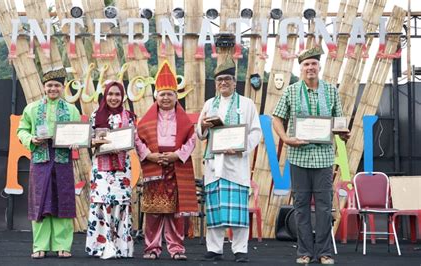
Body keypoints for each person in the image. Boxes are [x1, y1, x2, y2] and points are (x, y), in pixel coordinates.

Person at [272, 46, 350, 265]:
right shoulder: (291, 91)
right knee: (301, 206)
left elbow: (339, 122)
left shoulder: (331, 91)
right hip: (299, 158)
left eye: (314, 64)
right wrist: (286, 139)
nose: (310, 68)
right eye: (306, 64)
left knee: (325, 207)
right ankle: (304, 252)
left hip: (324, 158)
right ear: (301, 68)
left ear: (319, 67)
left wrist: (344, 134)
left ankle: (325, 252)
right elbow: (276, 118)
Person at [197, 57, 262, 263]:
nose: (223, 83)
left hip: (236, 164)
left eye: (227, 79)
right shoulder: (209, 104)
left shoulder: (246, 103)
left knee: (238, 211)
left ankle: (240, 250)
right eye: (219, 80)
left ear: (235, 82)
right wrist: (204, 128)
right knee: (215, 209)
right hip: (214, 164)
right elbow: (199, 133)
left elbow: (255, 132)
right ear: (215, 83)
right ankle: (214, 249)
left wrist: (241, 150)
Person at [136, 60, 198, 261]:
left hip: (176, 166)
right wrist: (149, 155)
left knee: (175, 212)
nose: (165, 98)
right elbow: (137, 138)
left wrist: (177, 155)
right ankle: (151, 248)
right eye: (162, 94)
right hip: (154, 164)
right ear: (156, 95)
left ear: (175, 96)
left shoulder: (184, 119)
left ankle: (176, 248)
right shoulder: (146, 119)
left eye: (169, 94)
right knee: (153, 212)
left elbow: (192, 139)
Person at [17, 68, 81, 259]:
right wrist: (31, 139)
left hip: (62, 159)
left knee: (63, 200)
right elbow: (22, 130)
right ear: (44, 87)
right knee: (41, 202)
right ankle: (40, 246)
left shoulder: (71, 109)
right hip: (40, 159)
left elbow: (78, 132)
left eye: (57, 85)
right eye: (49, 85)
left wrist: (76, 141)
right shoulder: (32, 108)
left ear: (62, 88)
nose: (53, 88)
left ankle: (63, 245)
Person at [85, 81, 135, 259]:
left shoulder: (128, 116)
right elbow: (88, 140)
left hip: (122, 169)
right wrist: (95, 142)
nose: (114, 98)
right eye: (110, 94)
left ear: (122, 97)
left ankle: (120, 247)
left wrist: (123, 143)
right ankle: (100, 246)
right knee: (101, 203)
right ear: (105, 96)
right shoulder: (96, 115)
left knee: (120, 204)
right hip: (101, 169)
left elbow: (133, 140)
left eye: (117, 95)